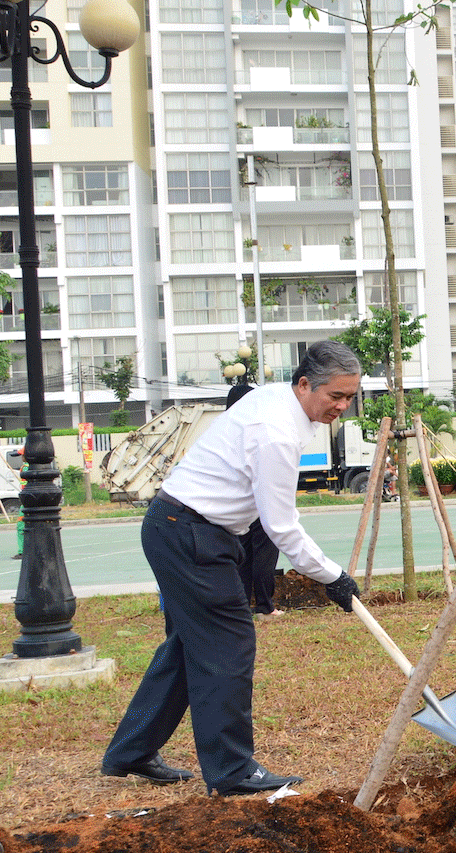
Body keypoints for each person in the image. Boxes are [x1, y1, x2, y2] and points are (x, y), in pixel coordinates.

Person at [101, 341, 363, 796]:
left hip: (186, 528)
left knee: (189, 647)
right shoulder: (276, 431)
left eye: (349, 397)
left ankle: (131, 751)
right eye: (335, 396)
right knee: (228, 646)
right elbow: (281, 526)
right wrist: (332, 576)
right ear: (304, 384)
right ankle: (233, 770)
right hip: (189, 532)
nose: (342, 406)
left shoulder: (280, 403)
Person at [225, 382, 279, 618]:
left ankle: (243, 605)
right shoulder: (255, 430)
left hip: (236, 505)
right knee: (265, 555)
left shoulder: (224, 431)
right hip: (258, 502)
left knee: (243, 557)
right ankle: (266, 606)